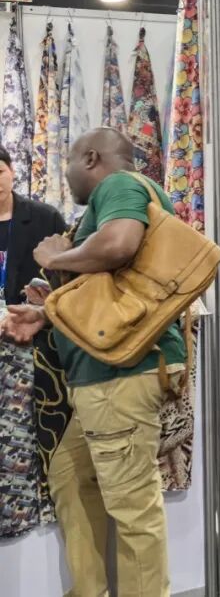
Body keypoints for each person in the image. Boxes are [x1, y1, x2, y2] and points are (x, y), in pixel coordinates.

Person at [3, 128, 185, 597]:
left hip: (119, 374)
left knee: (132, 507)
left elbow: (120, 245)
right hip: (103, 375)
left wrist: (59, 256)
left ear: (90, 158)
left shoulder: (118, 185)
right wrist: (46, 315)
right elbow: (110, 290)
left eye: (67, 162)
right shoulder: (114, 198)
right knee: (70, 476)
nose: (65, 175)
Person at [0, 144, 68, 539]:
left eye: (0, 171)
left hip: (34, 344)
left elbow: (66, 278)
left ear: (11, 171)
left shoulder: (43, 218)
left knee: (30, 434)